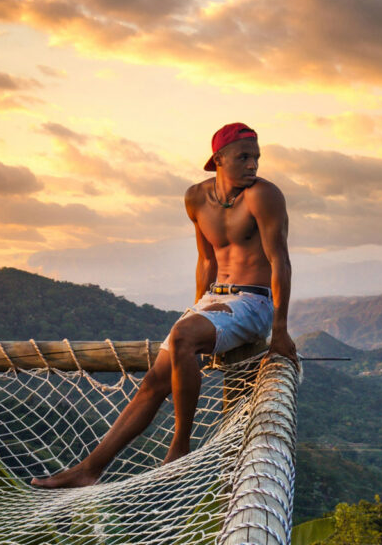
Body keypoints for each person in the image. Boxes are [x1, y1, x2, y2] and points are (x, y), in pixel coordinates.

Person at [32, 122, 298, 488]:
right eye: (244, 157)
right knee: (155, 381)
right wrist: (199, 314)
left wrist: (280, 331)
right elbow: (206, 260)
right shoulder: (195, 198)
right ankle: (90, 469)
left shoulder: (263, 195)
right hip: (214, 301)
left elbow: (279, 259)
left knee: (183, 338)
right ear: (218, 159)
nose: (253, 165)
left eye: (256, 157)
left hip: (253, 301)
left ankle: (180, 447)